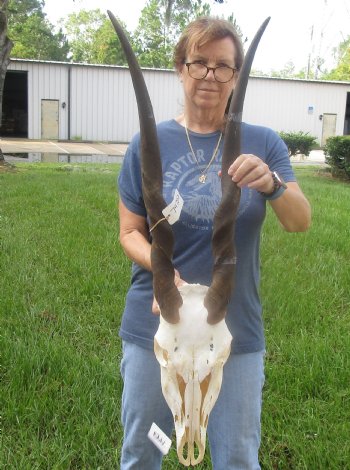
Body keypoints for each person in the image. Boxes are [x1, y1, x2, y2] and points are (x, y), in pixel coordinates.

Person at [117, 16, 311, 470]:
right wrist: (163, 270)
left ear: (237, 76)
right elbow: (129, 232)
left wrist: (272, 184)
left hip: (233, 333)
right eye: (198, 62)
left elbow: (300, 221)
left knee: (236, 456)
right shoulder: (146, 142)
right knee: (147, 449)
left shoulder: (263, 142)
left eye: (223, 66)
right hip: (158, 330)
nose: (209, 75)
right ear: (180, 69)